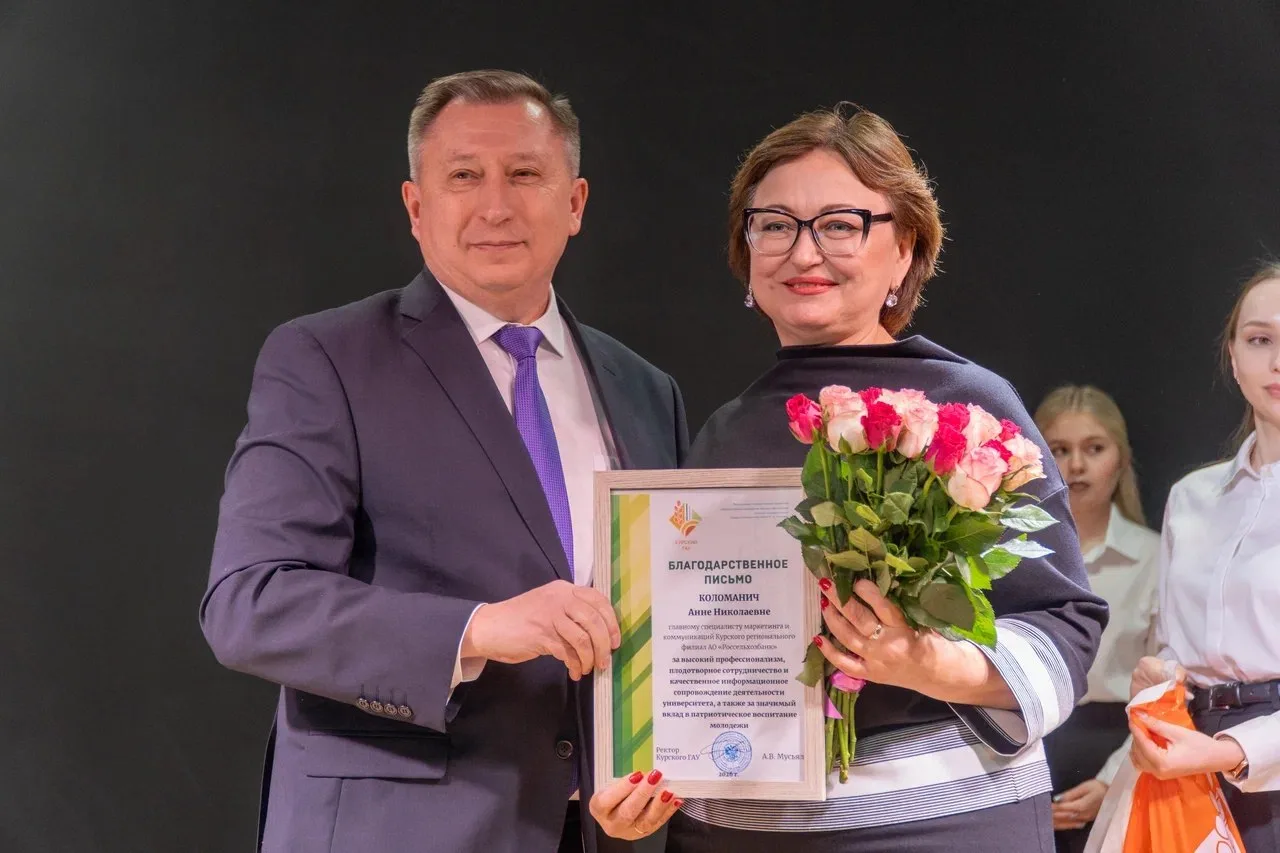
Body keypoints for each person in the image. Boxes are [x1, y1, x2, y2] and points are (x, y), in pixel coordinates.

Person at [590, 104, 1106, 851]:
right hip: (737, 831)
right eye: (775, 224)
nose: (804, 252)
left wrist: (931, 664)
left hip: (940, 824)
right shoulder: (723, 432)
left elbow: (1066, 626)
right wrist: (647, 776)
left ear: (904, 250)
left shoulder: (967, 411)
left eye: (840, 224)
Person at [200, 69, 688, 853]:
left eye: (524, 173)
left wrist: (655, 768)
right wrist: (478, 626)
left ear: (575, 202)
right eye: (464, 176)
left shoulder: (645, 390)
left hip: (599, 833)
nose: (496, 205)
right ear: (416, 207)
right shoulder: (327, 359)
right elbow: (250, 603)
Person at [1125, 262, 1280, 851]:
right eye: (1260, 339)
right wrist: (1155, 678)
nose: (1277, 361)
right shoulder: (1192, 497)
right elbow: (1171, 648)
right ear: (1232, 356)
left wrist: (1230, 751)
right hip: (1186, 764)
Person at [1033, 386, 1159, 851]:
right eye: (1059, 450)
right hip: (1027, 751)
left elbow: (1166, 687)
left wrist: (1113, 780)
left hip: (1123, 756)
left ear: (1121, 459)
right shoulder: (1012, 558)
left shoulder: (1155, 557)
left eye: (1094, 448)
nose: (1076, 466)